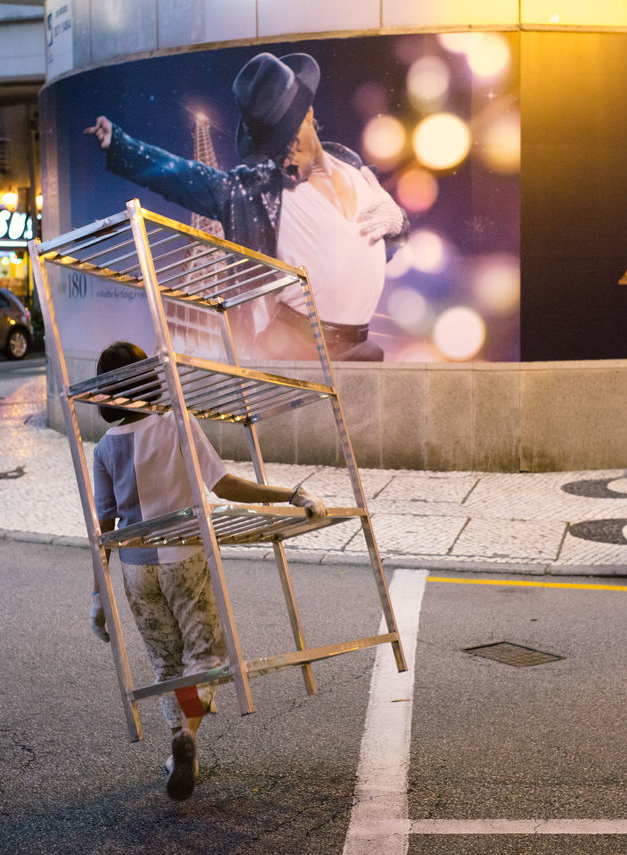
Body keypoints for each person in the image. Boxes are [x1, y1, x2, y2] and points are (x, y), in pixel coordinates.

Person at [88, 341, 327, 801]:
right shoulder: (177, 423)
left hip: (137, 571)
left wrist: (97, 596)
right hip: (184, 557)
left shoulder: (102, 449)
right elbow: (224, 484)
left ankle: (176, 748)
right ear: (146, 379)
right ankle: (188, 739)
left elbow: (104, 530)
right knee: (208, 654)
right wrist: (291, 494)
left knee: (165, 665)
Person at [85, 51, 407, 361]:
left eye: (291, 141)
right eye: (276, 150)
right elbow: (191, 178)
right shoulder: (254, 189)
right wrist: (122, 146)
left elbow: (382, 249)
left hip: (361, 346)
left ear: (308, 113)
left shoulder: (357, 170)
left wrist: (399, 224)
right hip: (295, 345)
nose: (288, 158)